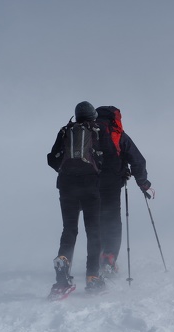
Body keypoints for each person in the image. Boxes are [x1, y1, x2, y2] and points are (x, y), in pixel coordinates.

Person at [46, 101, 105, 299]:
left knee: (69, 229)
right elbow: (109, 158)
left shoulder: (65, 131)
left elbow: (52, 158)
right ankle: (93, 277)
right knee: (93, 231)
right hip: (91, 186)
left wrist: (65, 171)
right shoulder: (96, 131)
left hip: (66, 186)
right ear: (92, 116)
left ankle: (63, 266)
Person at [94, 105, 152, 275]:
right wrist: (143, 183)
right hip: (112, 184)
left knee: (96, 219)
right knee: (112, 220)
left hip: (90, 183)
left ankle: (95, 257)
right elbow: (137, 160)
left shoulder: (88, 132)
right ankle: (109, 256)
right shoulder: (118, 135)